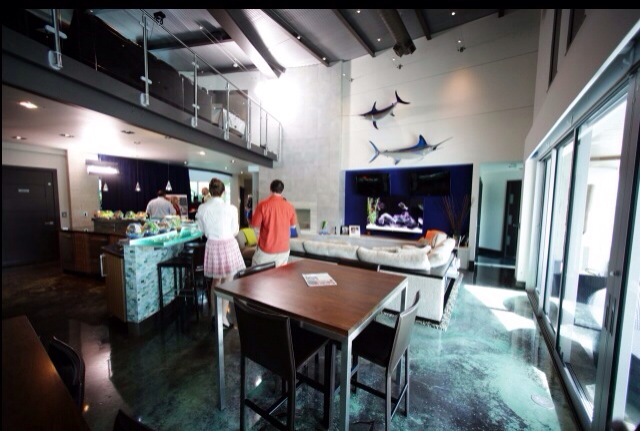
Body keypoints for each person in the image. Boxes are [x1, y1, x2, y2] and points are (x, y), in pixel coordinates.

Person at [196, 178, 245, 328]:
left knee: (215, 281)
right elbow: (235, 230)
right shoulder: (231, 208)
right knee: (228, 282)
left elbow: (200, 230)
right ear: (223, 192)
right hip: (228, 244)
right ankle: (222, 317)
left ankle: (214, 315)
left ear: (210, 192)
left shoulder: (202, 208)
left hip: (212, 245)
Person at [251, 179, 297, 267]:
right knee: (280, 273)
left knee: (258, 272)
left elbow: (255, 225)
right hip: (284, 248)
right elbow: (293, 226)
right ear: (282, 190)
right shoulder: (290, 206)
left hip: (267, 249)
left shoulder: (262, 204)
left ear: (270, 189)